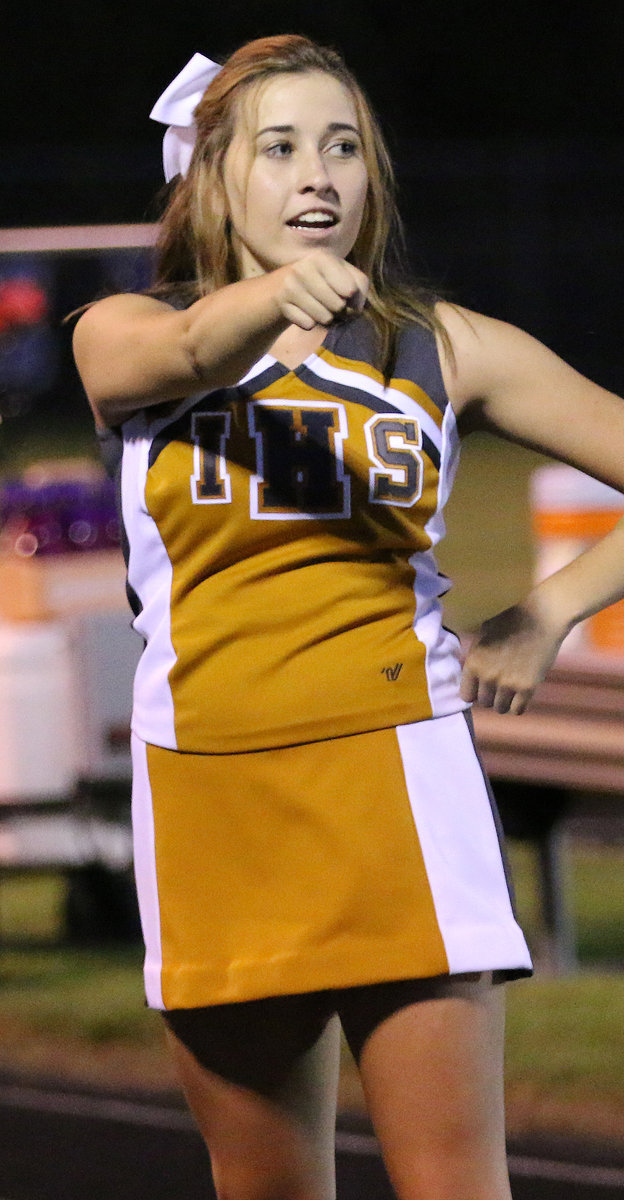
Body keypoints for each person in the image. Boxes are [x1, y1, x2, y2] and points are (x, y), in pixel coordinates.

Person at [72, 34, 624, 1200]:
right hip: (208, 790)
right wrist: (270, 299)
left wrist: (552, 609)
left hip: (400, 786)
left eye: (343, 148)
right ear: (212, 178)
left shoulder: (443, 344)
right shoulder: (122, 332)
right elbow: (170, 353)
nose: (318, 175)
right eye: (279, 149)